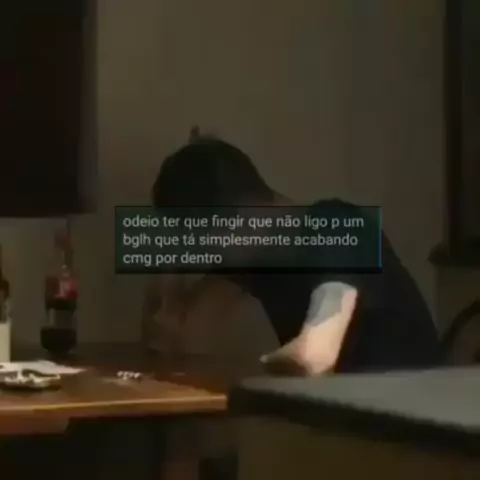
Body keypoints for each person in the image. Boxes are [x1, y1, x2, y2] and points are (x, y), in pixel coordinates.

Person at [150, 132, 442, 376]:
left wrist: (260, 373)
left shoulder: (336, 227)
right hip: (340, 410)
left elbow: (314, 355)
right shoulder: (253, 256)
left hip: (408, 414)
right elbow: (177, 338)